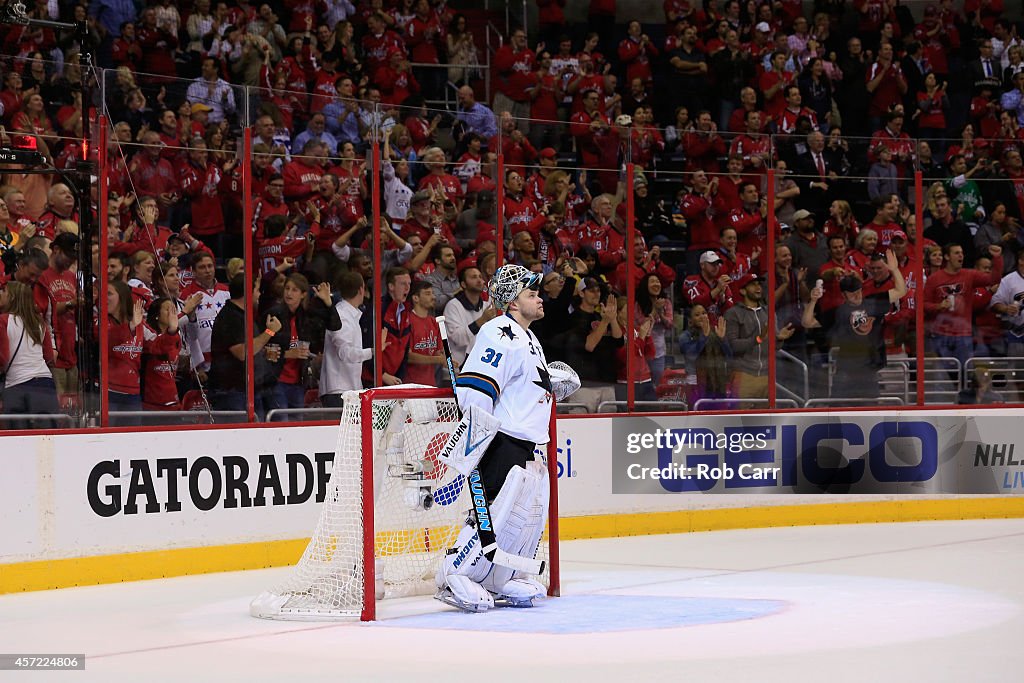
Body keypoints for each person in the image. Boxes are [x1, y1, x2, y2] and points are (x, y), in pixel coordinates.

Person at [437, 264, 557, 612]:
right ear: (513, 302)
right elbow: (478, 390)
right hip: (502, 440)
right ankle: (454, 574)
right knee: (492, 512)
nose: (540, 298)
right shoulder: (499, 331)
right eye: (531, 294)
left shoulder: (528, 337)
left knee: (520, 518)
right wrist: (476, 440)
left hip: (527, 442)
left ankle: (498, 579)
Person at [803, 250, 907, 400]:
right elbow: (807, 322)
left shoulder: (873, 302)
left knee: (870, 411)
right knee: (839, 411)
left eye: (859, 291)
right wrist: (813, 301)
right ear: (844, 295)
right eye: (852, 294)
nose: (857, 296)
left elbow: (901, 291)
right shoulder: (838, 311)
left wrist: (894, 270)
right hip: (845, 370)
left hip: (869, 370)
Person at [209, 274, 282, 415]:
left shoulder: (244, 315)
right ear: (248, 293)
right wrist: (269, 332)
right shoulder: (230, 317)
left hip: (248, 389)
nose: (259, 294)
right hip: (232, 392)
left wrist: (262, 352)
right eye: (257, 290)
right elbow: (242, 352)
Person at [320, 272, 385, 406]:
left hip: (348, 390)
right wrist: (374, 351)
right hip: (338, 391)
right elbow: (344, 352)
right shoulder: (342, 316)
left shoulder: (349, 315)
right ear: (361, 289)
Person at [0, 280, 58, 425]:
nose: (1, 294)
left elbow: (3, 358)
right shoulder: (39, 322)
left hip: (17, 386)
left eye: (4, 291)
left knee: (19, 441)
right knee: (47, 438)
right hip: (45, 383)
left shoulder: (3, 321)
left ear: (12, 296)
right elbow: (49, 357)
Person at [442, 266, 498, 367]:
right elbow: (458, 339)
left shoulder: (486, 306)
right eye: (473, 277)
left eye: (480, 277)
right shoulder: (453, 306)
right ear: (463, 284)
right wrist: (482, 320)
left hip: (481, 365)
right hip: (457, 368)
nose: (479, 280)